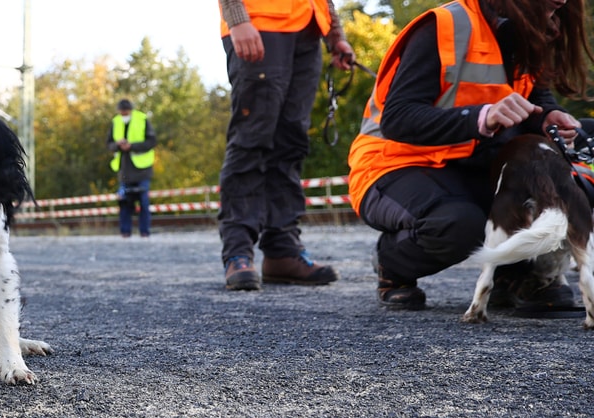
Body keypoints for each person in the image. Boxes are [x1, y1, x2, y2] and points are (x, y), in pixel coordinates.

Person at [347, 0, 594, 310]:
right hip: (395, 164)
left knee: (577, 171)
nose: (562, 1)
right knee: (459, 226)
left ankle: (515, 274)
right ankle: (393, 262)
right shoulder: (444, 26)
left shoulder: (537, 26)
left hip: (473, 162)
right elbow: (397, 118)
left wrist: (547, 116)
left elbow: (534, 96)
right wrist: (482, 117)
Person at [217, 0, 355, 290]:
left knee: (291, 142)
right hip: (258, 24)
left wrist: (335, 33)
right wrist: (237, 19)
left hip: (308, 28)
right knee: (251, 140)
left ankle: (282, 251)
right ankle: (238, 253)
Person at [107, 99, 157, 238]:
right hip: (124, 170)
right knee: (124, 202)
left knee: (143, 202)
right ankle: (125, 232)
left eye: (126, 112)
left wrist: (132, 146)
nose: (124, 114)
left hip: (142, 169)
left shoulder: (142, 119)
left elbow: (152, 141)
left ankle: (145, 232)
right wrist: (117, 145)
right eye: (121, 112)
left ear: (130, 110)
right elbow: (109, 143)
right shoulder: (116, 122)